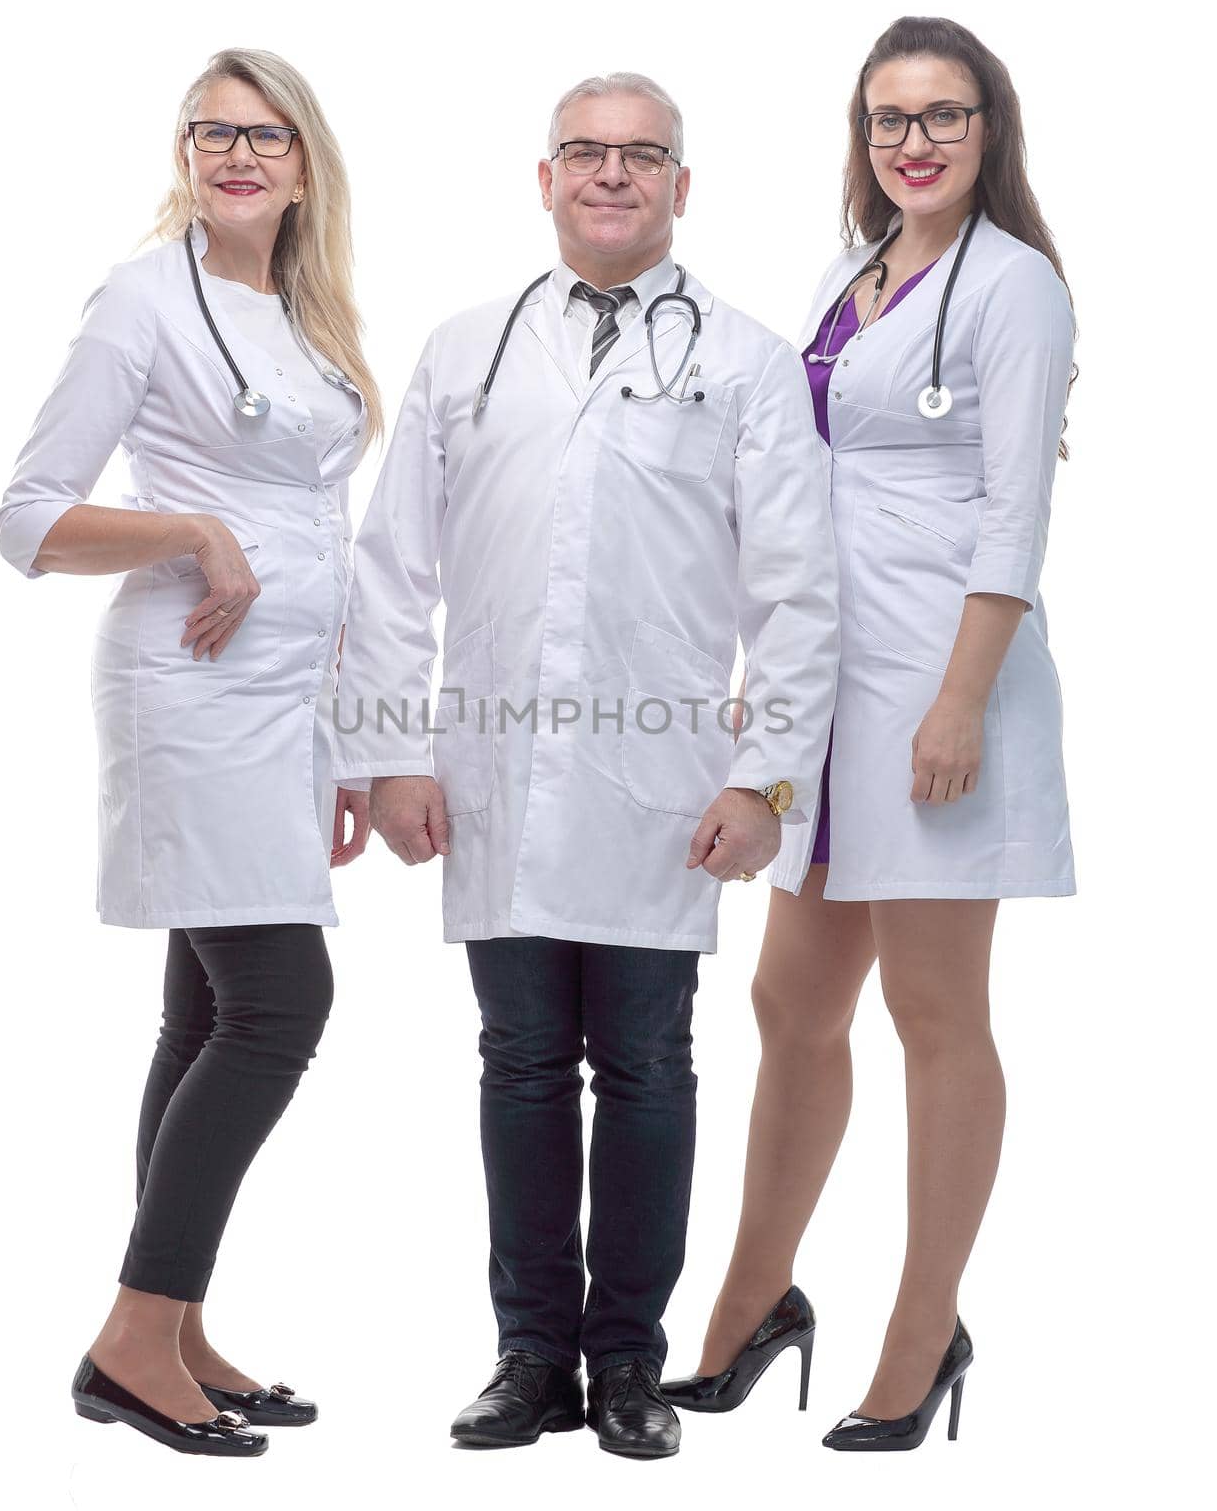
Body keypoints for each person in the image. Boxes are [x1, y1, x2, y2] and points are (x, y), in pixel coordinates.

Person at [332, 71, 839, 1460]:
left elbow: (797, 587)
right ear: (542, 179)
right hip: (488, 769)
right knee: (516, 1063)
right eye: (584, 154)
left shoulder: (737, 359)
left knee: (647, 1064)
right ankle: (526, 1355)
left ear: (682, 187)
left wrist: (763, 776)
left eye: (642, 157)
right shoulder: (466, 348)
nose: (611, 175)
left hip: (660, 787)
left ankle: (625, 1362)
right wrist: (386, 751)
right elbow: (392, 569)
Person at [660, 16, 1078, 1452]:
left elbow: (1013, 511)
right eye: (888, 117)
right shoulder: (853, 269)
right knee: (789, 1003)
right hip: (829, 688)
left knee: (934, 1013)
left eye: (941, 116)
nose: (913, 141)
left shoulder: (1011, 289)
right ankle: (753, 1297)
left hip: (938, 684)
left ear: (986, 130)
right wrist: (765, 672)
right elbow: (796, 488)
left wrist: (960, 697)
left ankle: (922, 1332)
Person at [0, 47, 381, 1457]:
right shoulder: (141, 300)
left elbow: (321, 539)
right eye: (210, 132)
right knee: (280, 1002)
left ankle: (175, 1325)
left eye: (264, 136)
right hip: (191, 689)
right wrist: (186, 532)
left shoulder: (298, 311)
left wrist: (344, 742)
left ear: (302, 161)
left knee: (209, 1017)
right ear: (181, 154)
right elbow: (26, 520)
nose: (235, 156)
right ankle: (130, 1334)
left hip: (285, 711)